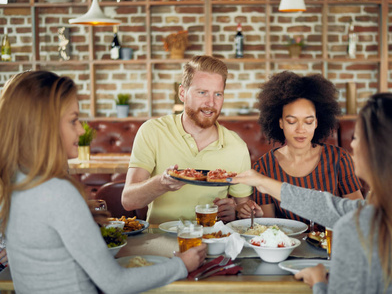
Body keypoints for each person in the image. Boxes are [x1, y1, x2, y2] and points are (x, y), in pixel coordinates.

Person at [0, 71, 207, 294]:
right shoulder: (57, 192)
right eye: (73, 120)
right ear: (43, 126)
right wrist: (182, 265)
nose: (81, 130)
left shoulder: (14, 184)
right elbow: (115, 283)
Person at [229, 93, 392, 293]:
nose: (351, 145)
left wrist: (319, 284)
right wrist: (261, 181)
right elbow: (331, 207)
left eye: (357, 138)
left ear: (376, 149)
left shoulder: (356, 229)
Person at [122, 55, 252, 224]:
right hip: (158, 240)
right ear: (182, 93)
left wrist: (234, 211)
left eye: (218, 94)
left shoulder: (237, 147)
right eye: (202, 92)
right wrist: (162, 183)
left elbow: (243, 210)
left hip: (211, 239)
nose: (210, 103)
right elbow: (128, 201)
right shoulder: (152, 131)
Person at [237, 71, 363, 225]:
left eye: (308, 122)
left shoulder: (339, 159)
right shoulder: (263, 167)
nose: (300, 129)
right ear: (281, 123)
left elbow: (359, 216)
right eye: (291, 121)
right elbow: (269, 226)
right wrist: (256, 216)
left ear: (317, 122)